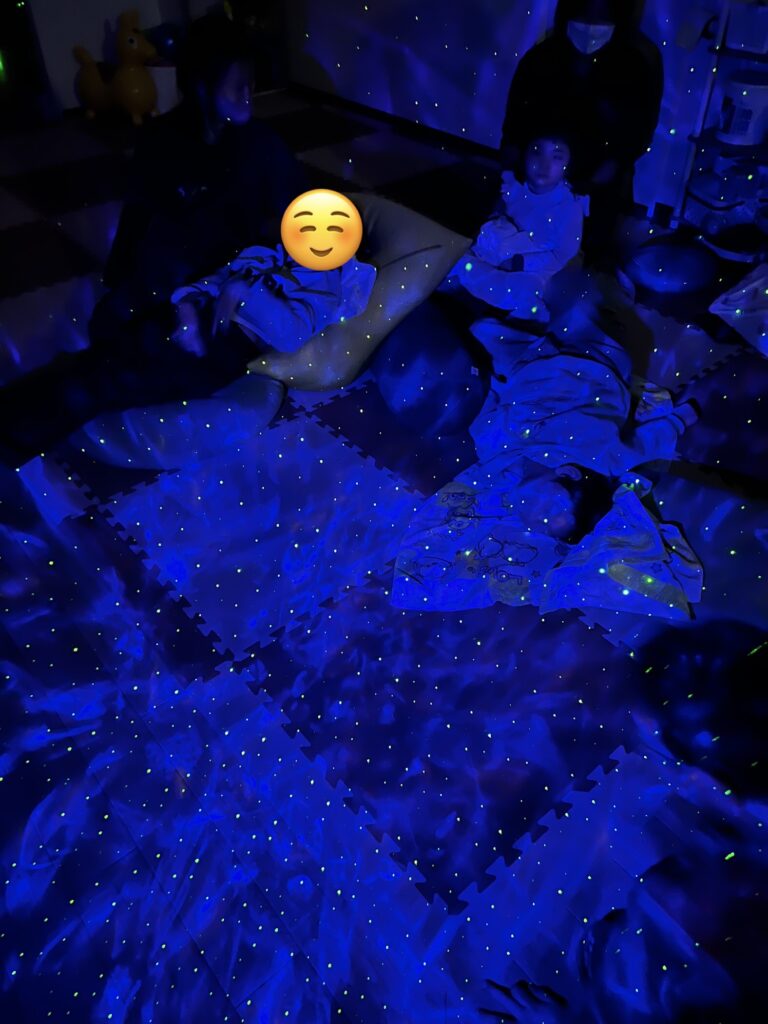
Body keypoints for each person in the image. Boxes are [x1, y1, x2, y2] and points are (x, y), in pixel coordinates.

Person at [0, 11, 307, 460]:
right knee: (114, 339)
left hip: (228, 299)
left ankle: (20, 428)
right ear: (201, 87)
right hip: (167, 287)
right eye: (236, 84)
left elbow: (297, 235)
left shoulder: (263, 147)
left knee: (124, 372)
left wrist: (239, 287)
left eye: (251, 82)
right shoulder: (164, 140)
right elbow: (142, 222)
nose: (248, 94)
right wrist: (141, 292)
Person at [500, 0, 663, 269]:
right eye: (584, 14)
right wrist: (513, 160)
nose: (590, 25)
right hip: (540, 173)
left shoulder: (634, 66)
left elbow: (639, 127)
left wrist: (615, 163)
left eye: (601, 16)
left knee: (584, 251)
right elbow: (516, 115)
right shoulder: (541, 58)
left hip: (596, 180)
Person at [449, 129, 586, 321]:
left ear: (568, 165)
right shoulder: (515, 188)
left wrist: (520, 263)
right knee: (461, 255)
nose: (544, 164)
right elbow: (498, 216)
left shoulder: (568, 207)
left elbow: (561, 254)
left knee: (523, 290)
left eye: (556, 157)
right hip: (505, 246)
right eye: (537, 152)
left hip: (536, 264)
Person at [168, 241, 377, 360]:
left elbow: (291, 336)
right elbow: (226, 274)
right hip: (203, 314)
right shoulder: (274, 251)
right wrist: (187, 301)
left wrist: (244, 291)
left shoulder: (324, 287)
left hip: (233, 338)